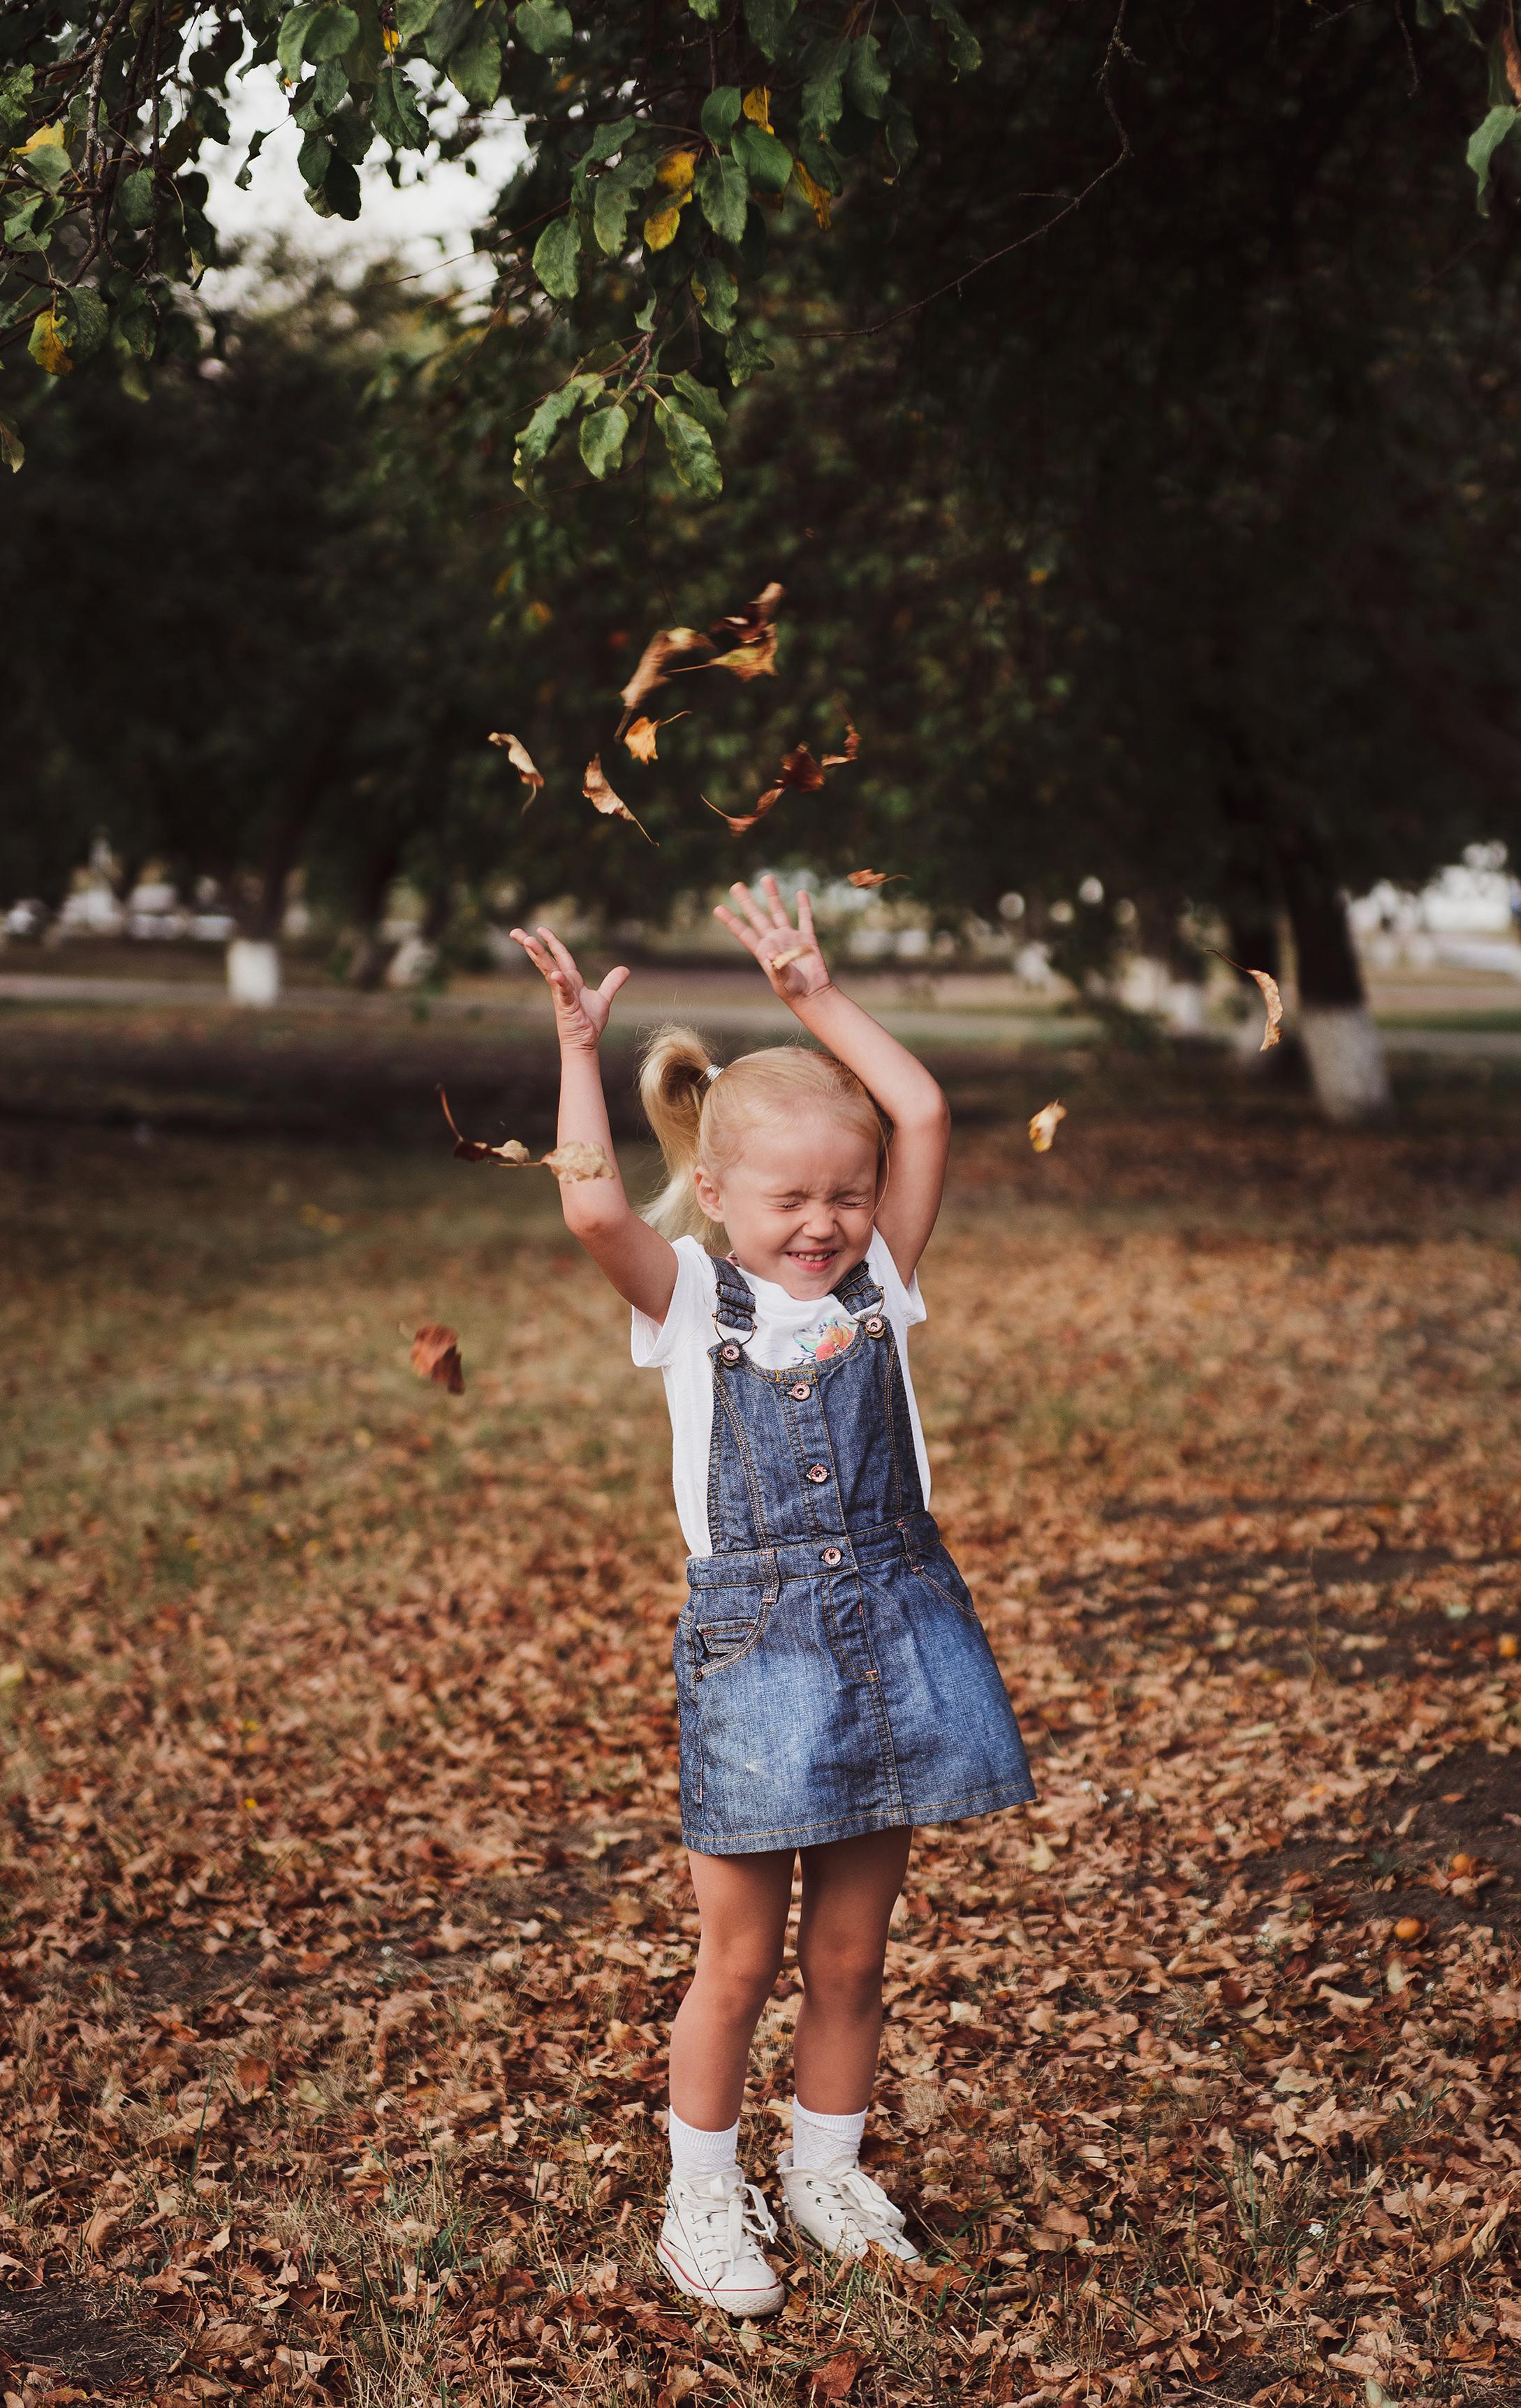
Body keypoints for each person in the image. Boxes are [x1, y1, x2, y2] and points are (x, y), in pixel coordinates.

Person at [512, 877, 1034, 2318]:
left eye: (845, 1195)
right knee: (737, 1959)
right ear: (718, 1193)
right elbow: (589, 1199)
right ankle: (700, 2197)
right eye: (790, 1199)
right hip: (758, 1656)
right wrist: (575, 1046)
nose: (824, 1223)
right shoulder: (689, 1301)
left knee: (852, 1953)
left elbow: (921, 1110)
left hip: (895, 1632)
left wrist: (815, 997)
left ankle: (825, 2172)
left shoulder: (883, 1281)